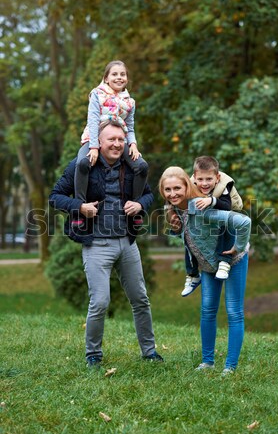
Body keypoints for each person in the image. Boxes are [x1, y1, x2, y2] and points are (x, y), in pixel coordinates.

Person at [49, 121, 163, 367]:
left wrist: (141, 204)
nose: (117, 144)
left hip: (127, 244)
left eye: (121, 139)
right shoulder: (82, 167)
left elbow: (149, 193)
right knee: (99, 302)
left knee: (140, 299)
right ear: (98, 142)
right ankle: (93, 354)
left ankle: (149, 352)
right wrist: (79, 207)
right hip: (96, 245)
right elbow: (55, 196)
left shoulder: (131, 166)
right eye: (111, 139)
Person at [159, 166, 251, 375]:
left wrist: (238, 246)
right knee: (208, 310)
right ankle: (207, 362)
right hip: (208, 264)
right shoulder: (174, 210)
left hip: (232, 259)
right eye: (168, 190)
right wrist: (175, 226)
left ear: (187, 186)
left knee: (233, 311)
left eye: (177, 189)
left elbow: (244, 222)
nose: (173, 194)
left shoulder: (203, 207)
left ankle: (230, 367)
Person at [73, 60, 148, 229]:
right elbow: (92, 121)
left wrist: (133, 145)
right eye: (114, 74)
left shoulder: (130, 102)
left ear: (127, 79)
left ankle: (134, 210)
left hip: (118, 141)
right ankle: (79, 210)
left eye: (122, 74)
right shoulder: (97, 95)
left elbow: (130, 127)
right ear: (106, 78)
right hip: (94, 138)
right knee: (82, 163)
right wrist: (93, 147)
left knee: (141, 166)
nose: (119, 77)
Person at [180, 156, 243, 297]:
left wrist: (212, 200)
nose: (204, 183)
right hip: (206, 222)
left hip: (228, 215)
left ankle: (224, 262)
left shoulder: (224, 185)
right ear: (195, 178)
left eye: (209, 179)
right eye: (200, 179)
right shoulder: (190, 185)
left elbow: (227, 207)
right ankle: (192, 274)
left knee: (225, 225)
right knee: (188, 235)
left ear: (217, 177)